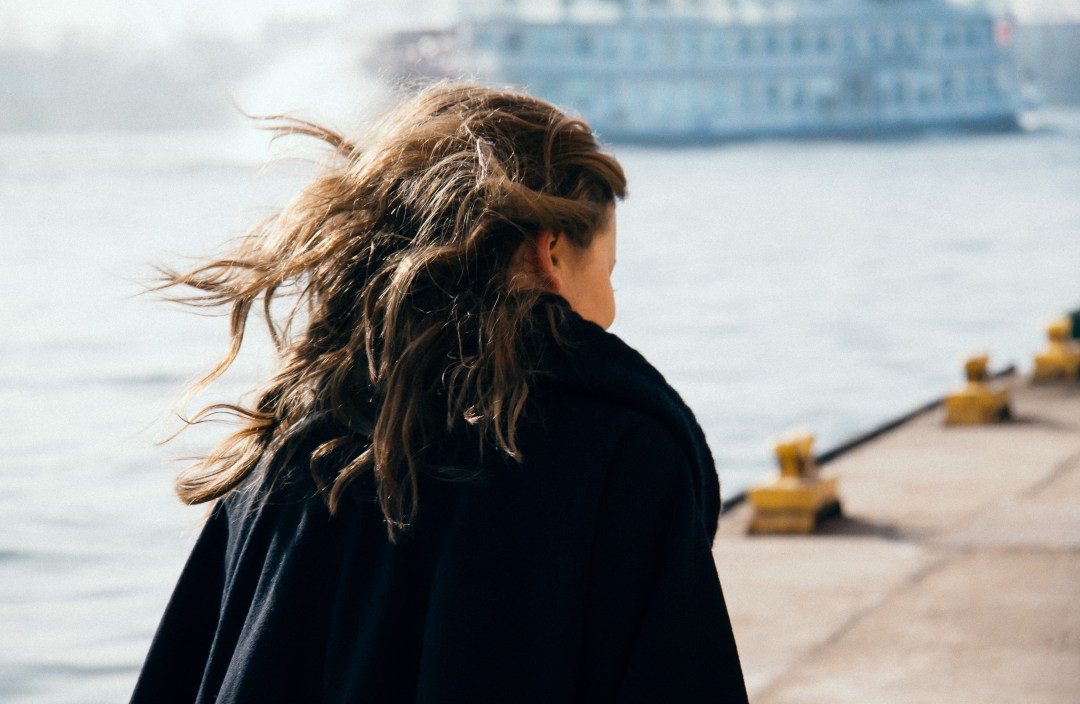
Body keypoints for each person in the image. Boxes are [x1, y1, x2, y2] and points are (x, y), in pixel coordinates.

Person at [130, 84, 747, 703]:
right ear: (550, 252)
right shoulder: (619, 455)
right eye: (607, 273)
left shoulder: (284, 457)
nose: (608, 313)